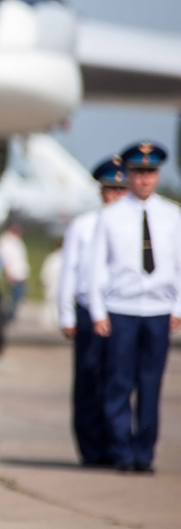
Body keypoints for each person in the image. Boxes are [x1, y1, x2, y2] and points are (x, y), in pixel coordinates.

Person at [88, 142, 181, 473]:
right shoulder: (111, 216)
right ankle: (122, 452)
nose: (144, 179)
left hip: (158, 309)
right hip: (121, 308)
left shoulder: (172, 216)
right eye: (139, 173)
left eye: (150, 172)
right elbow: (96, 266)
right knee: (119, 384)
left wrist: (178, 307)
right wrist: (98, 311)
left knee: (151, 385)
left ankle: (145, 452)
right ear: (128, 175)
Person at [57, 157, 127, 465]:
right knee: (89, 378)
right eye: (109, 190)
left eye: (120, 190)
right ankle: (91, 447)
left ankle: (118, 443)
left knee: (120, 380)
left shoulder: (135, 227)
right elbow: (68, 272)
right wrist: (66, 314)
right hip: (88, 308)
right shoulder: (84, 225)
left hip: (123, 309)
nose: (114, 196)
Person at [0, 220, 29, 323]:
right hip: (13, 275)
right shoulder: (5, 242)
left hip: (20, 275)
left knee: (18, 298)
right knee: (12, 299)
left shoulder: (17, 240)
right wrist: (8, 275)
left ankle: (9, 317)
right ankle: (6, 318)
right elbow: (3, 260)